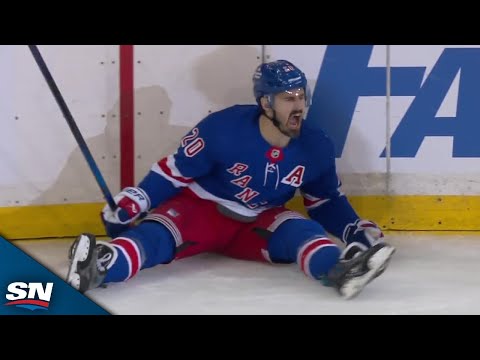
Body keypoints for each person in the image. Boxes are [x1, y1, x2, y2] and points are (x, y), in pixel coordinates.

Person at [67, 59, 395, 299]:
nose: (298, 106)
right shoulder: (223, 128)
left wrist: (353, 228)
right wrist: (139, 198)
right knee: (156, 238)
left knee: (302, 230)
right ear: (266, 102)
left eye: (300, 97)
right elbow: (174, 172)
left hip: (257, 221)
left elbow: (324, 201)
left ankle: (339, 271)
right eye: (287, 98)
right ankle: (99, 266)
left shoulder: (316, 145)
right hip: (202, 210)